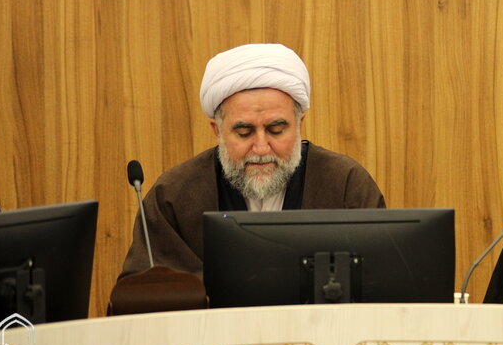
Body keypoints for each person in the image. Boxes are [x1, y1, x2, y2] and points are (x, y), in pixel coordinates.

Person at [116, 43, 385, 280]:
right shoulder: (174, 195)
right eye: (244, 132)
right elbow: (142, 295)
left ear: (299, 124)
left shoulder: (346, 184)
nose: (261, 148)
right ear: (217, 130)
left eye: (276, 130)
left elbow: (382, 281)